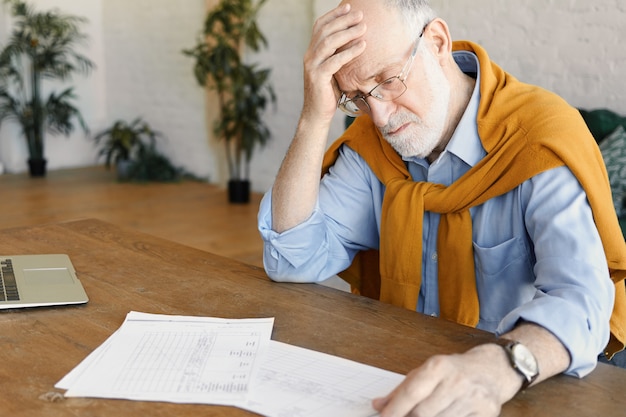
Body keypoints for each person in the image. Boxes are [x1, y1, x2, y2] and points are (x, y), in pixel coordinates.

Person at [258, 0, 626, 416]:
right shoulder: (372, 147)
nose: (378, 116)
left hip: (523, 389)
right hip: (397, 379)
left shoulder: (537, 143)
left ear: (436, 42)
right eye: (357, 97)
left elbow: (582, 300)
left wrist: (501, 364)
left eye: (388, 80)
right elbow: (290, 258)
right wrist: (314, 117)